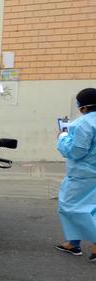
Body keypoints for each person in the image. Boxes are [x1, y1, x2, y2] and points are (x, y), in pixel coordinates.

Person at [54, 88, 96, 262]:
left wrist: (63, 136)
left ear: (83, 107)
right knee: (93, 208)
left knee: (70, 207)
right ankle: (73, 243)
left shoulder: (82, 124)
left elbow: (76, 151)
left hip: (83, 174)